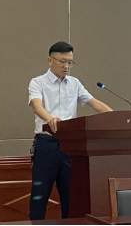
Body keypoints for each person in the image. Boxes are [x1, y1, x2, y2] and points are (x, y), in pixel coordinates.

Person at [28, 41, 113, 220]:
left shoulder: (74, 83)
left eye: (70, 62)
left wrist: (115, 117)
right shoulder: (38, 82)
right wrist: (50, 118)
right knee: (39, 195)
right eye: (62, 61)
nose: (66, 66)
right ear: (50, 60)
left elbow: (95, 103)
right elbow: (37, 106)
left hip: (71, 148)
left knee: (71, 197)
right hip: (46, 146)